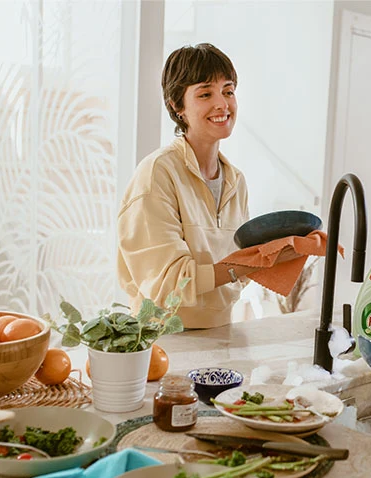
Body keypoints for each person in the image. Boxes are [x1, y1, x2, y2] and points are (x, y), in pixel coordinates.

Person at [117, 43, 299, 328]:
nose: (222, 104)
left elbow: (234, 271)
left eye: (228, 91)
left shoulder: (236, 181)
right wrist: (253, 262)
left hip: (222, 334)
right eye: (205, 94)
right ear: (178, 106)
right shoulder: (157, 174)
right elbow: (169, 283)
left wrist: (281, 252)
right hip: (161, 339)